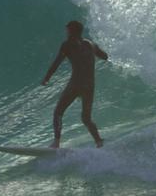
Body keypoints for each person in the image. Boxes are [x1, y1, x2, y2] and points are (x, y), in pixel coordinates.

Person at [41, 20, 108, 148]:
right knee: (86, 118)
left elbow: (56, 63)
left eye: (67, 30)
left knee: (58, 112)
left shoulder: (67, 45)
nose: (66, 33)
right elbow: (105, 56)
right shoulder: (90, 44)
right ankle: (99, 142)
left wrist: (47, 78)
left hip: (76, 84)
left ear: (71, 31)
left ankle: (56, 143)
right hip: (89, 86)